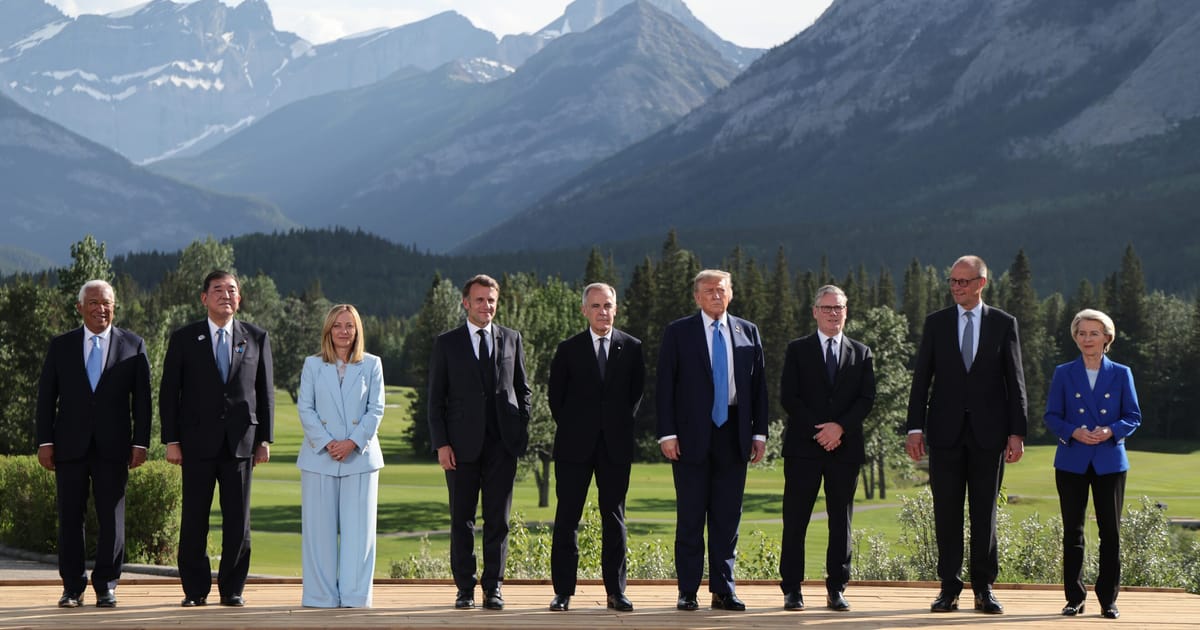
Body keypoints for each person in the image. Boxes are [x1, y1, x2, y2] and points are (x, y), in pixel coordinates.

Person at [905, 255, 1027, 615]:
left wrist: (1017, 432)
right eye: (953, 281)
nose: (956, 287)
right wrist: (915, 428)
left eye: (963, 281)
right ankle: (949, 588)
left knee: (984, 515)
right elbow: (921, 379)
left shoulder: (1003, 323)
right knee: (946, 513)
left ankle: (984, 589)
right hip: (944, 434)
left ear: (981, 283)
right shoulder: (936, 323)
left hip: (990, 436)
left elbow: (1015, 381)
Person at [160, 270, 274, 608]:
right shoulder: (184, 338)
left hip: (241, 443)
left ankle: (232, 589)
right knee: (194, 519)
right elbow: (169, 393)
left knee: (238, 521)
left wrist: (264, 439)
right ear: (204, 298)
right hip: (196, 443)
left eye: (232, 290)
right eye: (218, 289)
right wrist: (171, 440)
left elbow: (265, 392)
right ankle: (195, 590)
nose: (226, 295)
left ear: (239, 298)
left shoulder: (256, 337)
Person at [35, 280, 152, 609]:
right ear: (80, 307)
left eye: (107, 303)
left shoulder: (133, 345)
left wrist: (140, 443)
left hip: (114, 447)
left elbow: (143, 402)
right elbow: (46, 398)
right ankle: (72, 588)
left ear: (115, 307)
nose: (101, 308)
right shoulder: (61, 346)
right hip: (69, 446)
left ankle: (106, 585)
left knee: (112, 519)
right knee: (70, 519)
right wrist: (44, 441)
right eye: (94, 303)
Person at [657, 269, 768, 612]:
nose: (716, 295)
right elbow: (664, 386)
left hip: (734, 433)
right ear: (697, 297)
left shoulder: (748, 331)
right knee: (691, 516)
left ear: (730, 294)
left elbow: (759, 388)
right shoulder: (679, 332)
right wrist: (667, 433)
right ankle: (687, 591)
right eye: (709, 291)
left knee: (727, 518)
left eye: (721, 290)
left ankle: (723, 590)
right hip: (690, 436)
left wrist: (759, 433)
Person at [428, 274, 532, 610]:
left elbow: (523, 389)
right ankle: (465, 589)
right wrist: (442, 444)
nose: (486, 306)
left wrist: (520, 428)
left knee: (498, 520)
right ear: (466, 303)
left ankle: (494, 587)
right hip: (460, 448)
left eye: (491, 300)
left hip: (503, 445)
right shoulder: (447, 343)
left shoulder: (512, 338)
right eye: (480, 300)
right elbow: (435, 399)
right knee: (462, 520)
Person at [547, 283, 645, 612]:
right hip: (573, 447)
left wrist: (615, 426)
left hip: (615, 447)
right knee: (567, 518)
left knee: (614, 519)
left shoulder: (632, 347)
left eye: (608, 305)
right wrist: (578, 427)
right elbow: (556, 399)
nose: (602, 311)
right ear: (584, 310)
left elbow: (635, 395)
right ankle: (563, 592)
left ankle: (616, 592)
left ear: (616, 309)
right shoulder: (568, 349)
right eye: (596, 306)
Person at [778, 285, 875, 612]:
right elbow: (789, 397)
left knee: (841, 522)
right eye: (827, 308)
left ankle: (837, 589)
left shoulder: (861, 352)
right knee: (795, 520)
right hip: (804, 448)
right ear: (815, 312)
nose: (834, 313)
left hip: (845, 449)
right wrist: (820, 430)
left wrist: (840, 428)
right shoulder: (798, 349)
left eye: (839, 308)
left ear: (846, 312)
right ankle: (792, 589)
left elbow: (866, 398)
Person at [1044, 309, 1140, 620]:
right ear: (1075, 338)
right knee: (1072, 531)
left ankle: (1108, 600)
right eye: (1082, 333)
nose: (1087, 339)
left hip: (1110, 461)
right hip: (1072, 459)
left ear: (1107, 338)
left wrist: (1111, 430)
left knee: (1110, 532)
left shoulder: (1122, 373)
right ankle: (1074, 598)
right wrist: (1074, 431)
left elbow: (1133, 416)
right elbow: (1051, 416)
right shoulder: (1063, 372)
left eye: (1094, 333)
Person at [296, 304, 385, 608]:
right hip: (319, 457)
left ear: (357, 330)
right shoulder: (312, 365)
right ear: (328, 330)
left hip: (360, 457)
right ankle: (319, 596)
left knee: (359, 533)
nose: (343, 331)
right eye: (337, 325)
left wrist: (351, 443)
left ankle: (355, 596)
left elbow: (376, 409)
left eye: (349, 325)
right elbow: (305, 408)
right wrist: (328, 442)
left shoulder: (372, 364)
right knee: (318, 534)